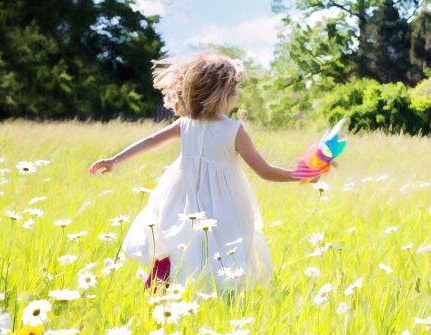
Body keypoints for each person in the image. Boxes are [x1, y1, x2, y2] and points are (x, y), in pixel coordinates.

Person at [88, 50, 315, 291]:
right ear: (219, 95)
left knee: (179, 239)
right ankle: (211, 293)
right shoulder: (233, 130)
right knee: (221, 248)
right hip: (222, 200)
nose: (237, 97)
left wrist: (116, 160)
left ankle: (166, 286)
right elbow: (265, 171)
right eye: (234, 91)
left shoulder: (186, 123)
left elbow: (153, 140)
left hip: (181, 194)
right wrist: (302, 175)